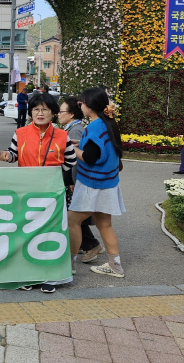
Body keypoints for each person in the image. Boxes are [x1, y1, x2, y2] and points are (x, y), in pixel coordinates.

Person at [0, 92, 77, 293]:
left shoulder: (62, 136)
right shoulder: (21, 133)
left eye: (45, 110)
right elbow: (14, 154)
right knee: (27, 232)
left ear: (53, 113)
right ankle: (28, 274)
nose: (40, 113)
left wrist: (53, 178)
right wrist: (7, 156)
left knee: (50, 233)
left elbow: (70, 162)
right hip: (26, 193)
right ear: (30, 112)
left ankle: (50, 276)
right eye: (36, 109)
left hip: (52, 194)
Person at [68, 88, 126, 278]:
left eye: (81, 103)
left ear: (90, 106)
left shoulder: (94, 127)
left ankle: (70, 264)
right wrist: (80, 144)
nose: (80, 106)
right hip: (108, 183)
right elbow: (101, 150)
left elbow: (90, 158)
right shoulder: (107, 124)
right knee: (105, 225)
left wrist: (69, 148)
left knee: (72, 221)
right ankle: (115, 266)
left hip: (92, 184)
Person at [58, 96, 103, 263]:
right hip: (71, 179)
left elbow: (75, 159)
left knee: (74, 216)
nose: (58, 114)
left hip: (73, 180)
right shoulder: (72, 128)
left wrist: (73, 181)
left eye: (62, 111)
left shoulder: (75, 130)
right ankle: (89, 245)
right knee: (73, 215)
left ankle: (91, 245)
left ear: (71, 114)